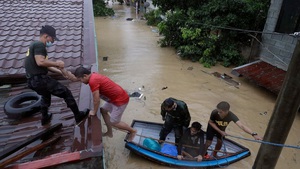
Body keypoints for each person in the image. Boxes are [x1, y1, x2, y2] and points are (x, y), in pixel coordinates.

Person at [24, 25, 89, 126]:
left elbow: (47, 66)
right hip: (39, 79)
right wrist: (57, 63)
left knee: (45, 95)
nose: (53, 41)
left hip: (32, 81)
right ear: (46, 36)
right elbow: (40, 62)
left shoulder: (34, 46)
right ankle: (78, 115)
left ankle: (45, 117)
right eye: (52, 38)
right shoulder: (39, 45)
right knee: (66, 92)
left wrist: (62, 73)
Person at [74, 66, 137, 141]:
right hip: (114, 98)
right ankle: (109, 132)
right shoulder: (94, 75)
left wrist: (94, 111)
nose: (82, 83)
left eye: (81, 80)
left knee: (114, 122)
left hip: (120, 100)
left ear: (85, 76)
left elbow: (96, 99)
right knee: (103, 110)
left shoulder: (92, 81)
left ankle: (133, 131)